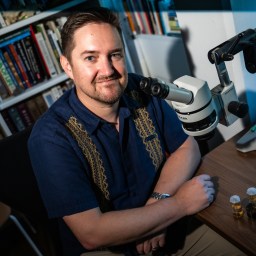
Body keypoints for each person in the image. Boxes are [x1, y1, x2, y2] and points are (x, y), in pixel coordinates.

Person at [28, 6, 245, 256]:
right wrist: (178, 205)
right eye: (90, 58)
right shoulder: (50, 138)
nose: (108, 70)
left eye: (115, 54)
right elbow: (91, 233)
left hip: (171, 229)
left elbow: (187, 147)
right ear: (67, 65)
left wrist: (157, 210)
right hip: (109, 249)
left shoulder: (137, 87)